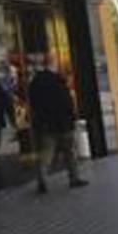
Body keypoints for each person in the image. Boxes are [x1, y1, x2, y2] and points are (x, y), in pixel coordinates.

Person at [28, 60, 87, 193]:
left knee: (46, 154)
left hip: (46, 124)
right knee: (69, 152)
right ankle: (74, 178)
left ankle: (42, 179)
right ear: (52, 67)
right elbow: (67, 102)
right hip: (63, 123)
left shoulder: (35, 84)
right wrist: (72, 118)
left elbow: (33, 104)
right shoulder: (58, 81)